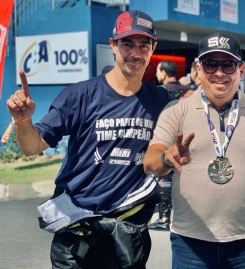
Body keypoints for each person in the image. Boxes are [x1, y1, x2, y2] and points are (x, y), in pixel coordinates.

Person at [6, 10, 174, 269]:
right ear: (113, 46)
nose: (135, 52)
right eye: (127, 43)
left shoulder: (161, 101)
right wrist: (23, 121)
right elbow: (32, 147)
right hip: (77, 236)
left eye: (144, 44)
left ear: (153, 48)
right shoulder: (79, 95)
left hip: (127, 236)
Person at [143, 32, 245, 268]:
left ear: (240, 70)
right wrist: (167, 157)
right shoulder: (177, 110)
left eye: (228, 65)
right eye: (210, 64)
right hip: (190, 242)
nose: (219, 72)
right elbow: (150, 161)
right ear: (198, 70)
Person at [148, 60, 191, 231]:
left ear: (163, 73)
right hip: (187, 142)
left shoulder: (161, 92)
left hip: (166, 141)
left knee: (163, 179)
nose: (157, 75)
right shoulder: (188, 91)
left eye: (158, 71)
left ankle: (165, 218)